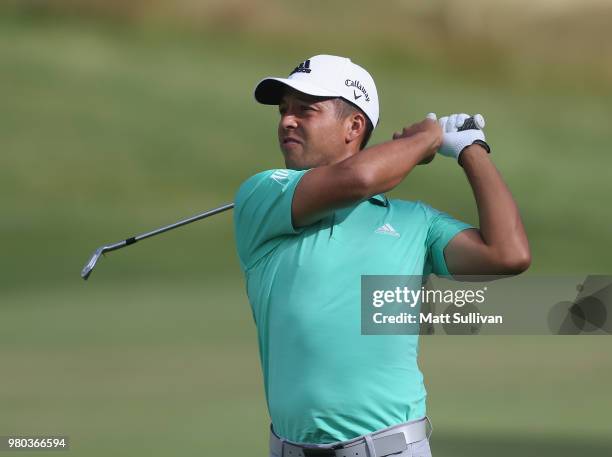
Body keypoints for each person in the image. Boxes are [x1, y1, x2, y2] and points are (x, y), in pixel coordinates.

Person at [233, 55, 530, 457]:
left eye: (306, 110)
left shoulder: (415, 222)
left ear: (353, 127)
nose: (287, 120)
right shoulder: (264, 193)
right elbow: (360, 177)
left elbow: (507, 253)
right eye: (284, 111)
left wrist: (469, 148)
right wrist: (426, 138)